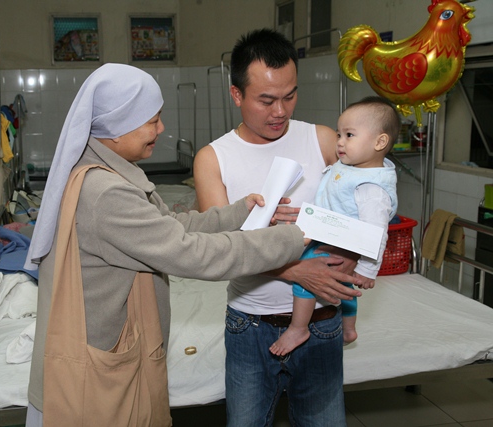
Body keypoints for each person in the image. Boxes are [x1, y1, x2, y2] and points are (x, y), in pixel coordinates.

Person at [23, 63, 310, 427]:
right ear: (116, 127)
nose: (161, 129)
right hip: (97, 371)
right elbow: (190, 253)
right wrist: (288, 239)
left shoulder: (109, 172)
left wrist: (238, 213)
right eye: (152, 120)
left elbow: (170, 227)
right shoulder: (106, 193)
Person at [193, 29, 362, 426]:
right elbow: (219, 249)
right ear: (237, 95)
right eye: (267, 100)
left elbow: (362, 206)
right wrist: (297, 271)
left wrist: (354, 254)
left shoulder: (323, 141)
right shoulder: (214, 158)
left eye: (290, 96)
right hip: (251, 325)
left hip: (322, 322)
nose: (280, 111)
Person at [269, 96, 399, 357]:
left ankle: (298, 328)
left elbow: (376, 233)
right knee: (342, 284)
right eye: (339, 134)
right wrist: (307, 217)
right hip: (329, 234)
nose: (339, 141)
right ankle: (348, 328)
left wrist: (367, 269)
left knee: (307, 276)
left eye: (349, 135)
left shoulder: (371, 187)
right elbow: (333, 201)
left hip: (340, 242)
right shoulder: (353, 167)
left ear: (379, 142)